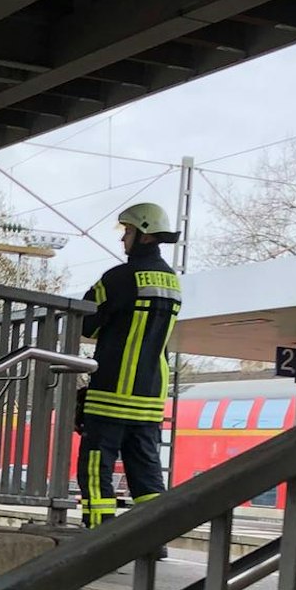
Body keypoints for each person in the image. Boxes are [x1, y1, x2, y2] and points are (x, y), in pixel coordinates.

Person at [77, 202, 183, 533]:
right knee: (147, 474)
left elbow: (86, 323)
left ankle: (98, 536)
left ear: (146, 236)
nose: (123, 238)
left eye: (128, 231)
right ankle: (153, 539)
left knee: (96, 467)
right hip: (151, 394)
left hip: (112, 388)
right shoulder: (172, 282)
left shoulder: (119, 278)